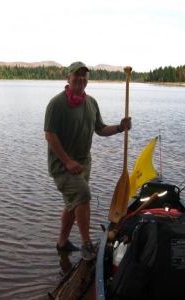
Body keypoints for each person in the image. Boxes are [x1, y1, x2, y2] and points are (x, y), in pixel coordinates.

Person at [44, 61, 132, 261]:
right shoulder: (56, 104)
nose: (81, 78)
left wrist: (119, 127)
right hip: (62, 165)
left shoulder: (91, 103)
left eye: (85, 75)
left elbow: (100, 129)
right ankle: (86, 244)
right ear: (68, 78)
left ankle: (62, 243)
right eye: (76, 75)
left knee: (73, 204)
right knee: (83, 194)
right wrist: (67, 162)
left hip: (83, 163)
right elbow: (50, 136)